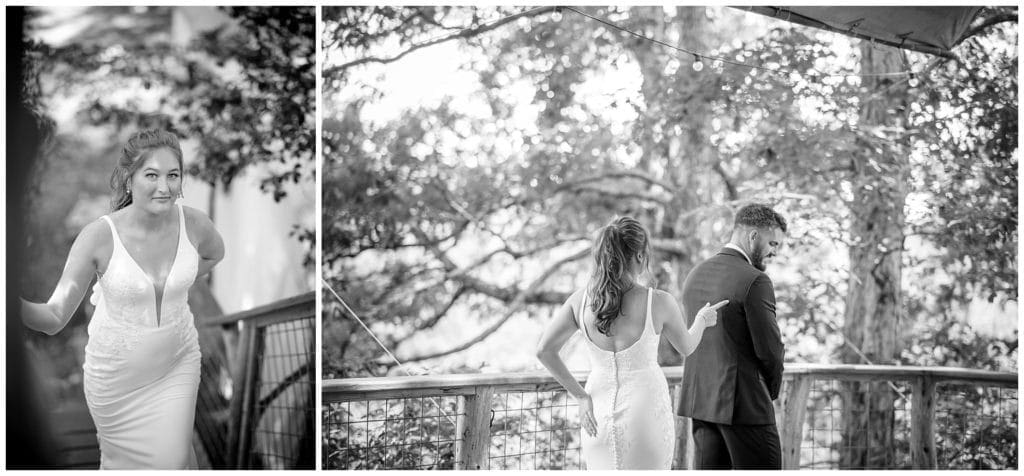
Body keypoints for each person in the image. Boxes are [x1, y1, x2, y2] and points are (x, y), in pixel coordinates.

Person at [20, 129, 225, 469]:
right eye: (152, 175)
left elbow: (216, 254)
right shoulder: (98, 236)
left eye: (173, 175)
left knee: (172, 460)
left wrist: (180, 279)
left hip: (179, 362)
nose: (165, 187)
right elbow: (55, 317)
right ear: (129, 180)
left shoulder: (195, 224)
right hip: (116, 382)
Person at [537, 216, 726, 470]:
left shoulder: (580, 301)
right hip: (645, 414)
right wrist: (702, 320)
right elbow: (687, 347)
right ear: (639, 255)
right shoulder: (658, 301)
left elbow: (544, 351)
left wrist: (581, 396)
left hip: (597, 414)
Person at [677, 203, 787, 469]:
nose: (775, 252)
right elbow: (770, 351)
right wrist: (767, 394)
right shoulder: (755, 280)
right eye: (773, 243)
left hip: (702, 405)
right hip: (746, 408)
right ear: (752, 236)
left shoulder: (695, 274)